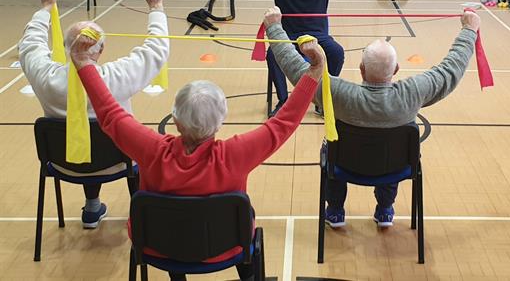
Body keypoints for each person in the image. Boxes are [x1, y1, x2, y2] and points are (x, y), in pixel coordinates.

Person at [68, 29, 324, 281]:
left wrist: (82, 62)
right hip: (226, 248)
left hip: (159, 246)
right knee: (242, 218)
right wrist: (315, 70)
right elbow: (283, 123)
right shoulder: (235, 155)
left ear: (176, 121)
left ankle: (177, 273)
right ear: (220, 122)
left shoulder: (150, 149)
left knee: (174, 226)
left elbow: (110, 114)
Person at [262, 6, 480, 227]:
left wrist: (275, 28)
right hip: (394, 167)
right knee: (392, 149)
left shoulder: (338, 93)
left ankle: (335, 210)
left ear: (361, 69)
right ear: (395, 69)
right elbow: (450, 69)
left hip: (345, 166)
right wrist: (469, 30)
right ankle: (385, 209)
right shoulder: (413, 93)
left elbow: (297, 71)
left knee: (331, 145)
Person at [18, 0, 170, 229]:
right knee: (133, 145)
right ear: (102, 50)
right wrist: (156, 7)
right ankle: (143, 217)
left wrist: (46, 8)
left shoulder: (45, 77)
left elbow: (29, 45)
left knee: (90, 144)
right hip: (117, 161)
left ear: (66, 49)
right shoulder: (116, 77)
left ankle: (92, 208)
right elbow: (156, 50)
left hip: (62, 162)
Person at [220, 0, 382, 117]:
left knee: (337, 52)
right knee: (273, 54)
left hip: (319, 37)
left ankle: (322, 99)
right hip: (289, 37)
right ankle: (283, 101)